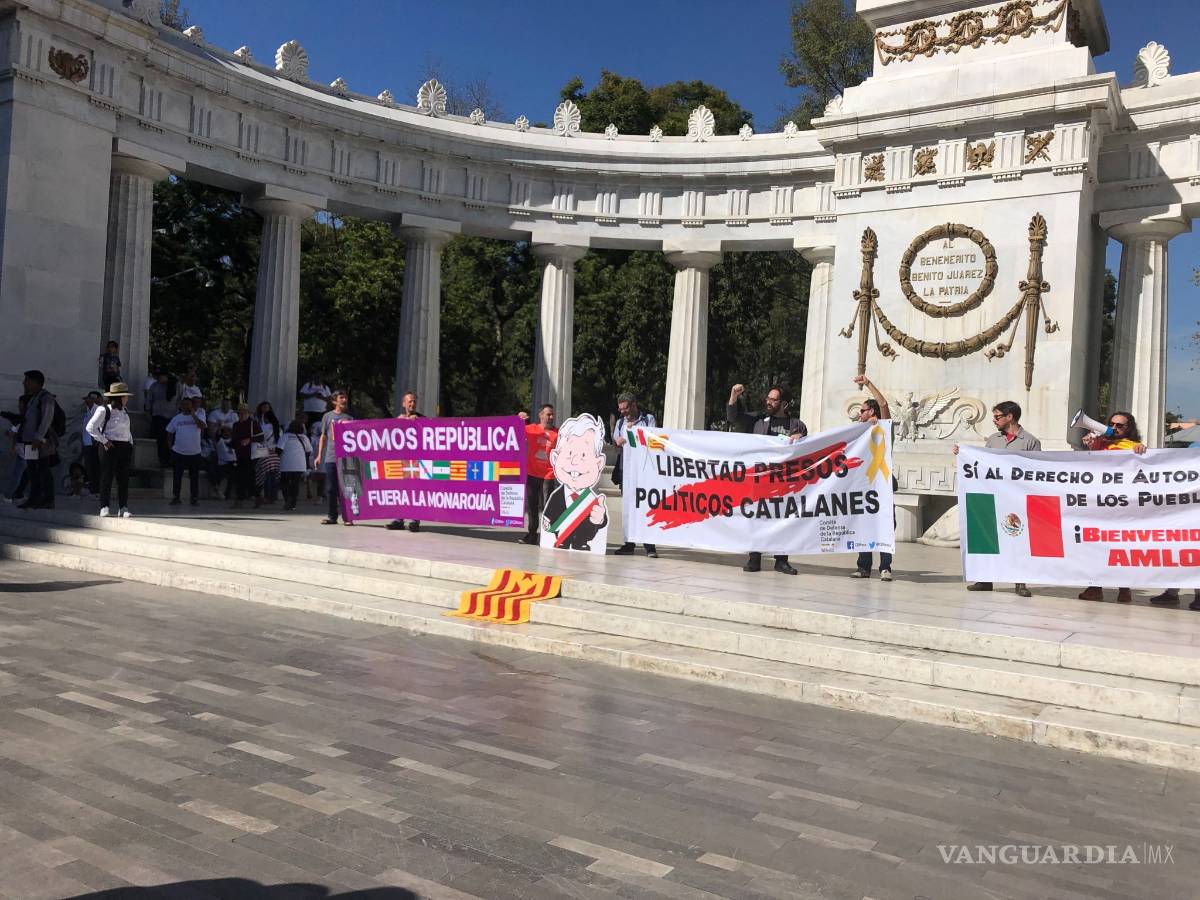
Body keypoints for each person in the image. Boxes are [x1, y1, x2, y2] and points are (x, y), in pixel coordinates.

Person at [953, 400, 1042, 598]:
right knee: (988, 537)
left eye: (997, 416)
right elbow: (982, 463)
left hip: (1017, 498)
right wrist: (963, 454)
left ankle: (1020, 582)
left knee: (1017, 539)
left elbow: (1035, 471)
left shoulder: (1030, 441)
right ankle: (985, 579)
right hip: (994, 496)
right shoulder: (993, 439)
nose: (994, 420)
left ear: (1009, 417)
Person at [726, 382, 807, 575]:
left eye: (774, 399)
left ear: (784, 403)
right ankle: (754, 558)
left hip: (784, 483)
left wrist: (801, 438)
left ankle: (781, 561)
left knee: (783, 520)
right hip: (760, 481)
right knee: (757, 518)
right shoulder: (758, 421)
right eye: (768, 398)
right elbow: (733, 417)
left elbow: (807, 450)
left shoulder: (796, 425)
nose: (769, 402)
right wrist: (733, 396)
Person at [1078, 411, 1147, 603]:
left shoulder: (1134, 446)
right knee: (1096, 545)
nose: (1115, 428)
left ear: (1129, 428)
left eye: (1120, 425)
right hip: (1099, 503)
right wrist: (1091, 443)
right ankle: (1095, 587)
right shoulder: (1101, 443)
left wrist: (1143, 450)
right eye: (1112, 424)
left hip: (1123, 505)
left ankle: (1124, 588)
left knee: (1121, 546)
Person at [850, 374, 896, 582]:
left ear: (872, 412)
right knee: (864, 524)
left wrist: (867, 383)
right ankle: (863, 566)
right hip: (864, 485)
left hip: (882, 484)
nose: (859, 414)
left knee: (885, 524)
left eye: (863, 410)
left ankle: (885, 567)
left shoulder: (883, 428)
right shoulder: (857, 431)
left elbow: (884, 403)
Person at [611, 392, 658, 558]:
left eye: (625, 409)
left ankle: (649, 546)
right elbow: (615, 437)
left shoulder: (648, 419)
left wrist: (635, 432)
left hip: (644, 471)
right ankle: (628, 544)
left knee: (645, 507)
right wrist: (618, 440)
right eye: (620, 409)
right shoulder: (619, 423)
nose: (622, 412)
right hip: (626, 470)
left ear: (633, 405)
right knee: (629, 507)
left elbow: (653, 438)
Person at [87, 382, 135, 518]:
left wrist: (130, 442)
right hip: (109, 446)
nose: (127, 399)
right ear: (119, 397)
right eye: (125, 396)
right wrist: (104, 441)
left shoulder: (125, 411)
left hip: (124, 446)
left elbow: (127, 429)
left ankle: (123, 507)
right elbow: (90, 427)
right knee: (107, 477)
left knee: (123, 478)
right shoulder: (104, 410)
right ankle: (104, 506)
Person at [17, 370, 59, 510]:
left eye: (27, 380)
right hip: (29, 441)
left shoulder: (45, 398)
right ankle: (34, 498)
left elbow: (47, 419)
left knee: (43, 470)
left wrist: (38, 437)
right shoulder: (33, 398)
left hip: (40, 442)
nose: (25, 383)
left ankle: (48, 499)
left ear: (35, 382)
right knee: (32, 470)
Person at [518, 404, 557, 545]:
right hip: (532, 473)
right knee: (532, 507)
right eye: (548, 414)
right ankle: (532, 534)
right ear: (541, 415)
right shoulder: (531, 429)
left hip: (548, 475)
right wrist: (520, 419)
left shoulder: (558, 433)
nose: (551, 417)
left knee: (548, 507)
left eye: (552, 414)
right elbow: (514, 431)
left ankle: (548, 536)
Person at [386, 391, 424, 533]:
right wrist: (397, 423)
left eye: (414, 401)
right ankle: (398, 519)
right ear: (403, 404)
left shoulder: (421, 419)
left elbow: (431, 432)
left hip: (415, 463)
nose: (412, 404)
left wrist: (419, 422)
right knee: (400, 490)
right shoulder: (399, 419)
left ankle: (414, 520)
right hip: (400, 461)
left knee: (415, 490)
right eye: (409, 401)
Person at [316, 390, 353, 525]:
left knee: (346, 488)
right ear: (334, 401)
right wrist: (319, 455)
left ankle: (348, 517)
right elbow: (323, 436)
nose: (344, 400)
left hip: (346, 457)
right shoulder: (327, 416)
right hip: (331, 456)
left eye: (345, 397)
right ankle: (332, 516)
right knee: (331, 488)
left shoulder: (349, 417)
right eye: (341, 397)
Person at [166, 396, 206, 506]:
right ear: (181, 406)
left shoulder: (199, 415)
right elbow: (169, 433)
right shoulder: (176, 418)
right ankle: (176, 497)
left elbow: (202, 426)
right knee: (177, 476)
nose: (186, 406)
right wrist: (171, 448)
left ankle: (194, 498)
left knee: (194, 477)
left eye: (188, 404)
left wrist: (193, 415)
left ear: (192, 406)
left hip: (195, 453)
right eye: (184, 404)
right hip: (178, 452)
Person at [277, 419, 313, 511]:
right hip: (299, 464)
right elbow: (309, 451)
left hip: (286, 464)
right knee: (295, 484)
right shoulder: (304, 437)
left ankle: (287, 500)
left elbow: (279, 450)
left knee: (284, 483)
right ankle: (293, 503)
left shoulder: (285, 436)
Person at [253, 401, 282, 506]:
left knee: (265, 475)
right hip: (273, 450)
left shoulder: (263, 425)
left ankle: (266, 496)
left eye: (267, 407)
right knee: (271, 474)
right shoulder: (274, 424)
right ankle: (271, 497)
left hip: (264, 449)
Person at [230, 403, 257, 509]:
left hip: (251, 454)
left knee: (249, 477)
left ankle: (255, 496)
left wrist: (249, 440)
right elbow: (234, 439)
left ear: (248, 414)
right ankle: (240, 499)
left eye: (244, 413)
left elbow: (260, 437)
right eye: (240, 413)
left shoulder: (253, 424)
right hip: (239, 454)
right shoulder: (236, 425)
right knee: (239, 477)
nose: (241, 415)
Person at [146, 371, 175, 467]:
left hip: (172, 417)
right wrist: (148, 411)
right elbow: (149, 400)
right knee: (161, 440)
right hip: (158, 416)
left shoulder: (175, 385)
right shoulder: (154, 386)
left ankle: (171, 459)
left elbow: (180, 399)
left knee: (171, 440)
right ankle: (163, 460)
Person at [80, 390, 102, 497]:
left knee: (94, 467)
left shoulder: (98, 410)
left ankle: (96, 490)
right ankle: (93, 488)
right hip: (87, 443)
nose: (87, 401)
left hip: (94, 444)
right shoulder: (88, 411)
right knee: (89, 467)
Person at [215, 425, 236, 500]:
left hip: (233, 463)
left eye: (229, 432)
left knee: (232, 479)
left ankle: (228, 494)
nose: (227, 433)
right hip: (223, 463)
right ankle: (220, 492)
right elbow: (216, 434)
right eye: (225, 432)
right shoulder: (220, 440)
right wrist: (221, 427)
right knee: (224, 478)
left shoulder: (233, 440)